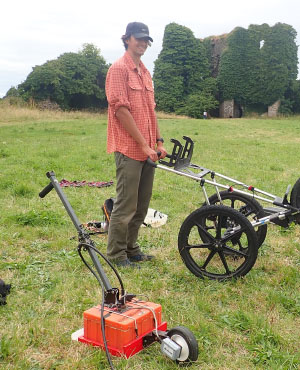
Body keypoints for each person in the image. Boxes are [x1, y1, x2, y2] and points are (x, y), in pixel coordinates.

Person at [105, 22, 167, 268]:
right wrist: (143, 145)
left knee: (141, 205)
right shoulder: (118, 70)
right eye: (138, 38)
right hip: (130, 150)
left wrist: (158, 141)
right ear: (127, 39)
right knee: (125, 205)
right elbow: (120, 111)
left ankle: (132, 249)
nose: (143, 43)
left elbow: (151, 112)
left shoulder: (145, 71)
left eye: (146, 40)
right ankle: (117, 255)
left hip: (148, 151)